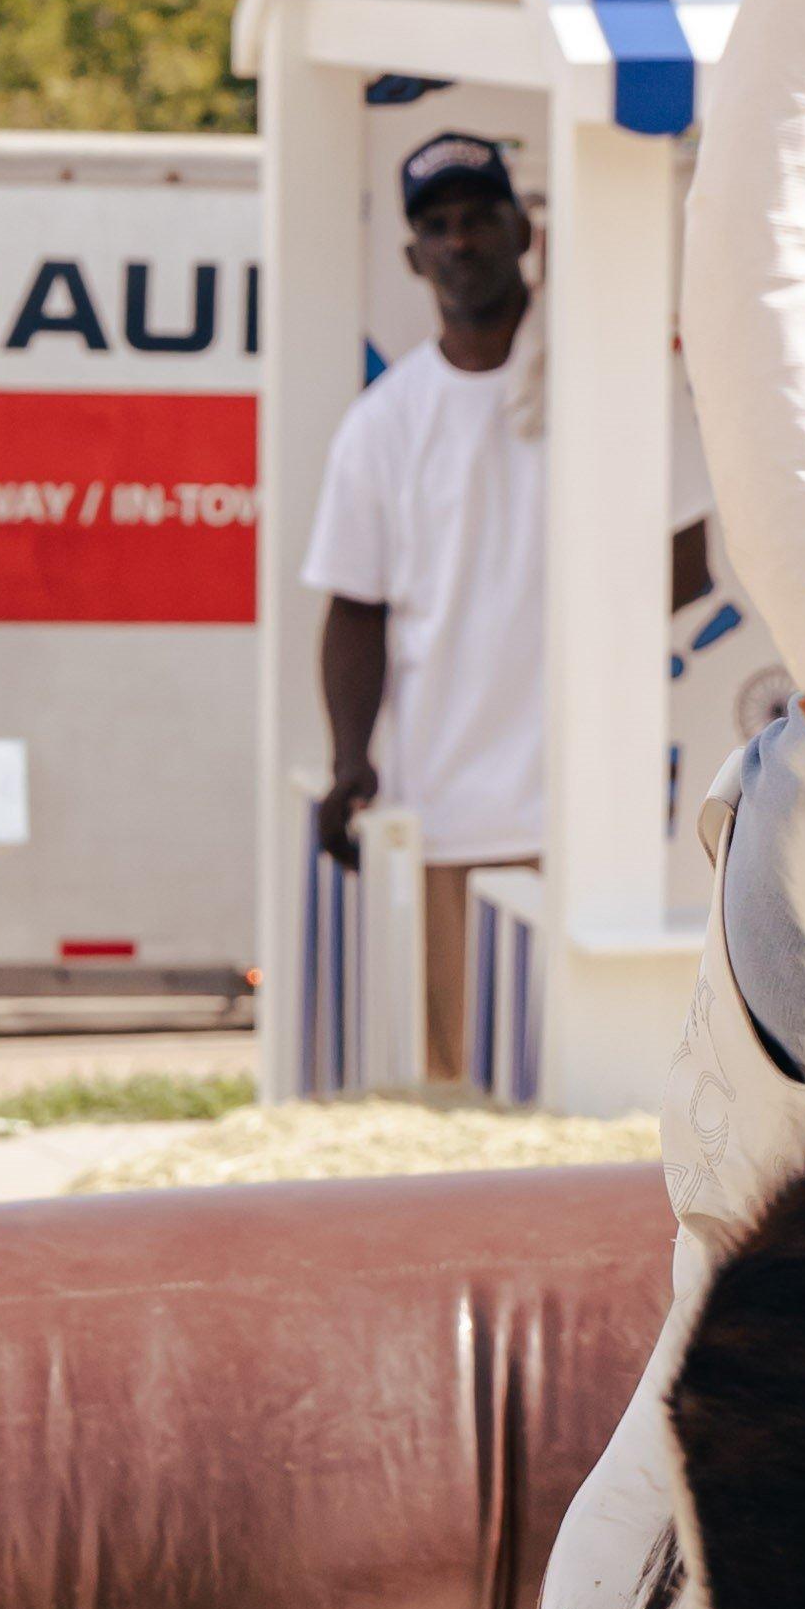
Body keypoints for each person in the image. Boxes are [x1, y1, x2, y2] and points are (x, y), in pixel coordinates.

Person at [301, 132, 546, 1082]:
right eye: (436, 227)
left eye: (480, 218)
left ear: (521, 230)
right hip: (446, 807)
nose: (460, 242)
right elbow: (353, 606)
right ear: (411, 258)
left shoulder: (602, 385)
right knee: (463, 1091)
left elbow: (684, 555)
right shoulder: (385, 421)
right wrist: (348, 761)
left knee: (594, 1104)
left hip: (591, 817)